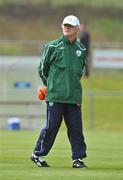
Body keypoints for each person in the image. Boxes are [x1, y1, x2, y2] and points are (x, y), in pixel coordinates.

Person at [31, 15, 87, 168]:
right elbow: (42, 68)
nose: (67, 27)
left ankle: (78, 159)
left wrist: (73, 89)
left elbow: (79, 72)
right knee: (51, 127)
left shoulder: (81, 49)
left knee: (76, 129)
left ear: (77, 29)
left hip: (74, 97)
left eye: (70, 26)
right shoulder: (52, 46)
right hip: (55, 95)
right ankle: (38, 154)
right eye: (65, 25)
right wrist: (50, 86)